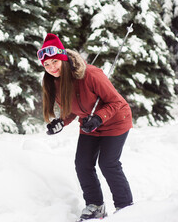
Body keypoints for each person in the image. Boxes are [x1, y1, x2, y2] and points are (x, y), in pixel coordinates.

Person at [37, 33, 133, 221]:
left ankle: (125, 207)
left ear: (63, 58)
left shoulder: (91, 75)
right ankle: (95, 205)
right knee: (83, 164)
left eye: (54, 62)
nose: (51, 68)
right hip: (90, 124)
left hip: (115, 121)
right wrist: (61, 122)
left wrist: (99, 118)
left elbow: (117, 102)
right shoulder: (55, 82)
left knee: (108, 163)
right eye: (46, 65)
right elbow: (72, 108)